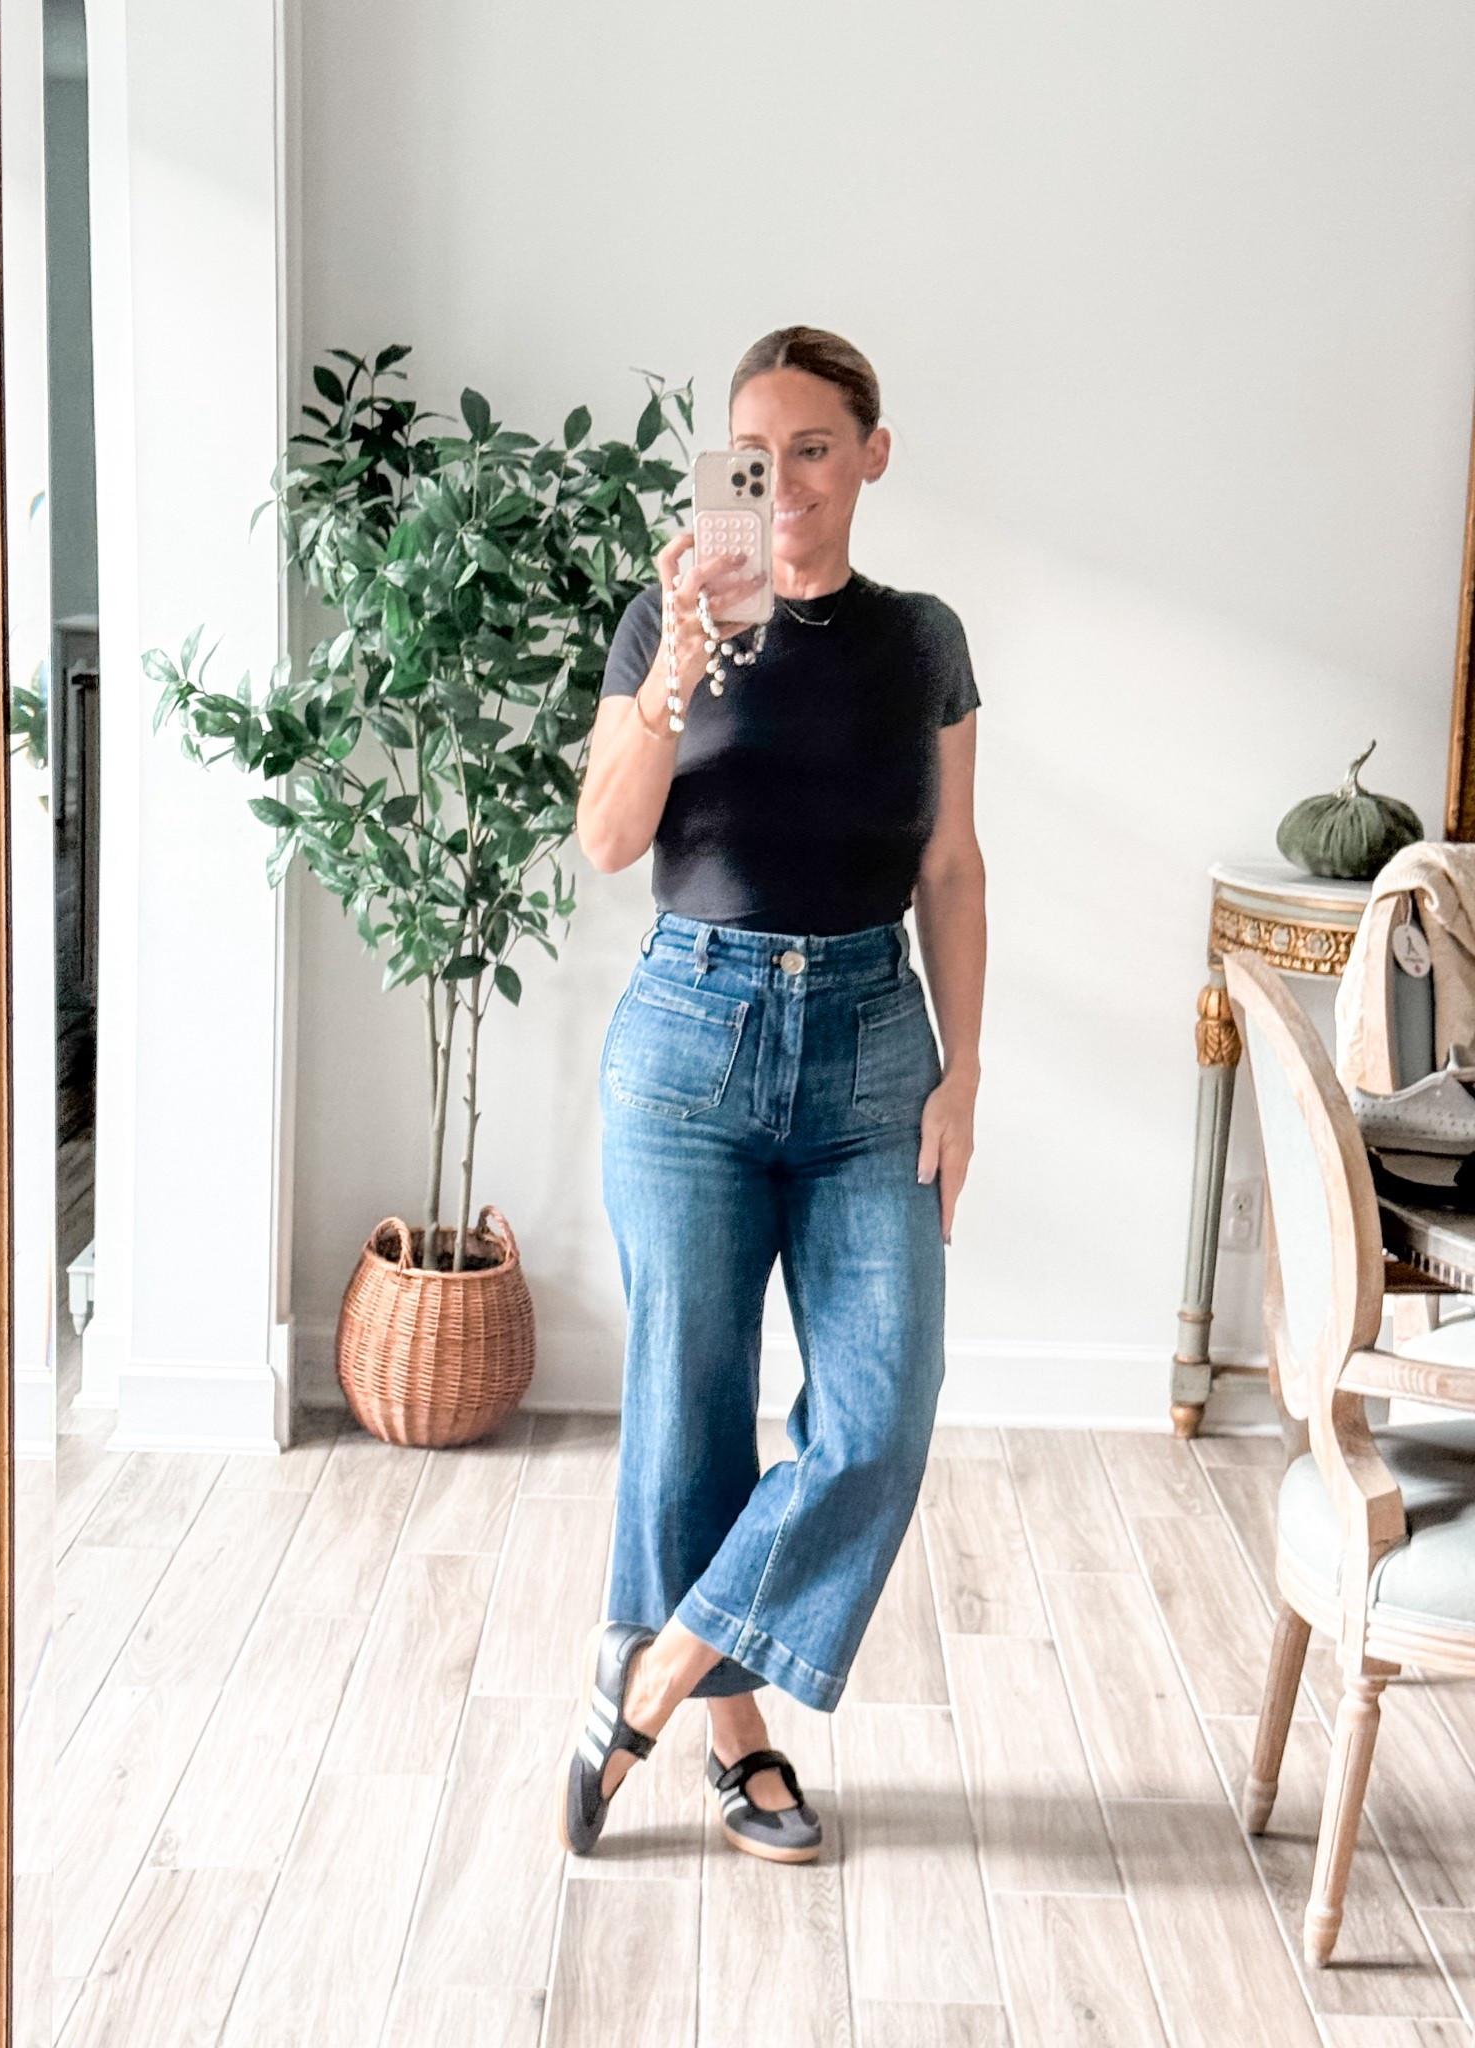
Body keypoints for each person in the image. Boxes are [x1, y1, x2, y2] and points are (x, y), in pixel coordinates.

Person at [562, 326, 985, 1864]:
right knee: (691, 1406)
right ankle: (740, 1750)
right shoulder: (665, 626)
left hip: (877, 1037)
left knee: (879, 1410)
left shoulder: (922, 639)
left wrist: (965, 1072)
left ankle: (657, 1671)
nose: (787, 480)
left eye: (815, 446)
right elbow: (610, 842)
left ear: (875, 452)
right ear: (722, 470)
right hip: (691, 1037)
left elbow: (950, 862)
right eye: (756, 452)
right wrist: (676, 659)